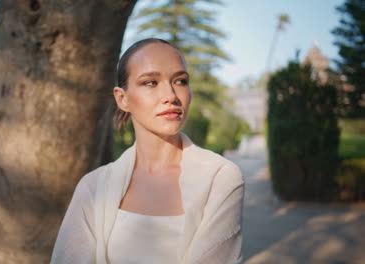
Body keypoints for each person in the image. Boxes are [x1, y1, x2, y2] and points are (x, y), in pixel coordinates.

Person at [50, 38, 244, 264]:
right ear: (122, 98)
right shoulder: (93, 187)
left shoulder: (220, 177)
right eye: (150, 83)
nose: (171, 96)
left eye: (180, 81)